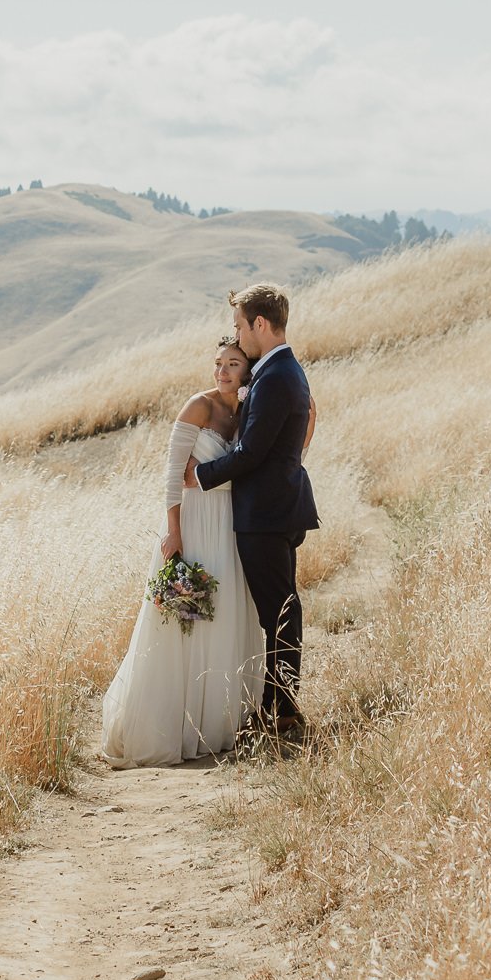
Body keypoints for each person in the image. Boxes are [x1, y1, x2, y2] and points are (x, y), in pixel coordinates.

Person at [99, 339, 260, 766]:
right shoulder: (198, 407)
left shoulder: (249, 411)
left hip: (228, 527)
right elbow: (173, 476)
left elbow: (254, 469)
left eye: (233, 365)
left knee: (222, 616)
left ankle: (217, 724)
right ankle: (169, 727)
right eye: (218, 364)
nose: (222, 372)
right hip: (190, 526)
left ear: (248, 371)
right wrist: (173, 533)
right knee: (182, 623)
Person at [189, 283, 319, 739]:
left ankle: (284, 713)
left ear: (259, 324)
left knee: (279, 612)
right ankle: (276, 706)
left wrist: (200, 477)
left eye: (239, 325)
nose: (237, 335)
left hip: (266, 513)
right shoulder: (278, 372)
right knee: (278, 611)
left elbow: (250, 452)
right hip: (277, 507)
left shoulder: (278, 376)